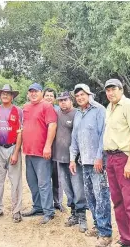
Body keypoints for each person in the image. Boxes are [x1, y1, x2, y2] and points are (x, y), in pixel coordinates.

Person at [103, 79, 130, 247]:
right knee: (118, 201)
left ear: (121, 89)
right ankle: (126, 238)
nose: (110, 93)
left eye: (113, 89)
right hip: (111, 158)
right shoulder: (110, 108)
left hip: (123, 158)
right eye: (108, 90)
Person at [69, 84, 112, 247]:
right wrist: (72, 159)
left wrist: (99, 157)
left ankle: (106, 233)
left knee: (101, 196)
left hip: (97, 162)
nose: (80, 97)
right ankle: (96, 224)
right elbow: (74, 138)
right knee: (90, 196)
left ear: (89, 94)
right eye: (77, 95)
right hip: (84, 162)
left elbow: (104, 135)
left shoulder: (99, 110)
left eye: (82, 94)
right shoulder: (78, 114)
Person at [21, 83, 57, 224]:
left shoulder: (46, 106)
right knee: (32, 182)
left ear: (41, 93)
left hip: (42, 152)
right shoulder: (26, 107)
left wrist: (47, 146)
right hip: (29, 151)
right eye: (31, 92)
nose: (33, 94)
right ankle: (38, 207)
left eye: (36, 91)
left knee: (44, 183)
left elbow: (52, 125)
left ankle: (49, 211)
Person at [0, 84, 24, 223]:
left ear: (12, 96)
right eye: (3, 93)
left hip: (13, 147)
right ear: (0, 95)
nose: (5, 95)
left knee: (15, 181)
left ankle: (16, 211)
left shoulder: (18, 111)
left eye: (8, 94)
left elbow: (20, 133)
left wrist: (16, 153)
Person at [53, 91, 88, 232]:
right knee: (67, 188)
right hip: (60, 157)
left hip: (74, 159)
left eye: (65, 100)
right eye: (60, 100)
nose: (63, 102)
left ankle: (82, 216)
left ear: (71, 100)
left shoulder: (77, 114)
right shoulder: (55, 114)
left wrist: (77, 156)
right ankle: (73, 214)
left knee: (78, 187)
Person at [43, 87, 63, 211]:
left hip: (57, 148)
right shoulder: (41, 109)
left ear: (54, 99)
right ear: (43, 97)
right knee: (44, 177)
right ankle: (46, 203)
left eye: (51, 95)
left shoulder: (59, 111)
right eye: (47, 95)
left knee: (57, 176)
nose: (49, 97)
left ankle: (58, 202)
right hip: (43, 148)